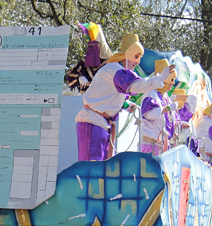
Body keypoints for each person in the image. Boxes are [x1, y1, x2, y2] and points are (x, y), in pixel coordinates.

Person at [75, 33, 174, 161]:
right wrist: (160, 78)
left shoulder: (116, 71)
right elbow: (136, 85)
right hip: (93, 123)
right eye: (136, 57)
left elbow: (109, 95)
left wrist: (126, 105)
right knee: (91, 170)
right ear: (127, 54)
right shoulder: (115, 70)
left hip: (100, 124)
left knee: (99, 171)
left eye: (140, 58)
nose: (137, 62)